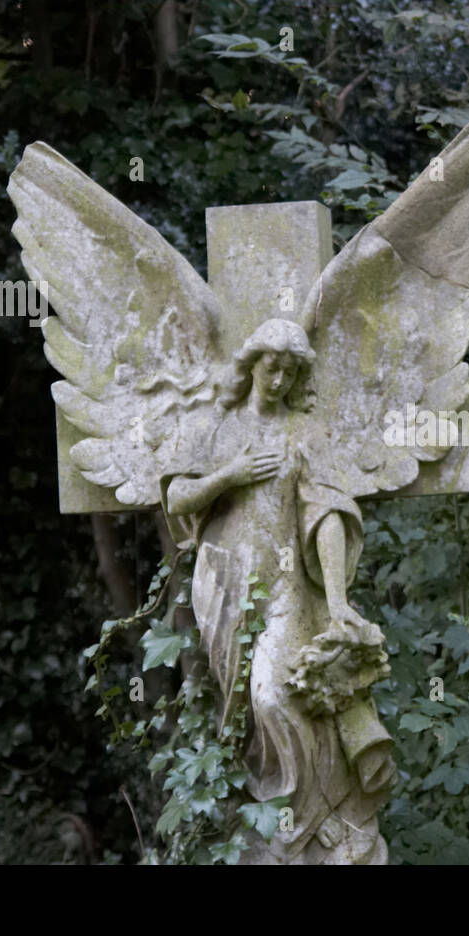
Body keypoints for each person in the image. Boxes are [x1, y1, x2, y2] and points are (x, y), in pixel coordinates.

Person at [161, 318, 395, 864]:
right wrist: (231, 474)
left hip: (288, 587)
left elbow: (329, 514)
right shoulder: (216, 428)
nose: (280, 378)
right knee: (242, 709)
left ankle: (305, 827)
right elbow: (177, 498)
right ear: (251, 366)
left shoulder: (303, 434)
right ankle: (266, 826)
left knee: (277, 696)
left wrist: (336, 601)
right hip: (225, 587)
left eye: (291, 371)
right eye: (272, 366)